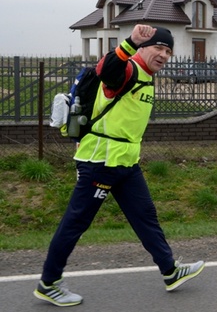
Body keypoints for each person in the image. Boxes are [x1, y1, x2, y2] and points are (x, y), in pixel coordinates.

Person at [33, 25, 205, 307]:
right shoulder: (128, 71)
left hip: (125, 164)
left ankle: (170, 271)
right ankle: (48, 283)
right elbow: (105, 69)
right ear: (144, 48)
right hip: (100, 162)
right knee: (75, 223)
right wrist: (130, 42)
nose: (163, 54)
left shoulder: (146, 77)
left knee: (145, 216)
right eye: (158, 48)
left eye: (168, 51)